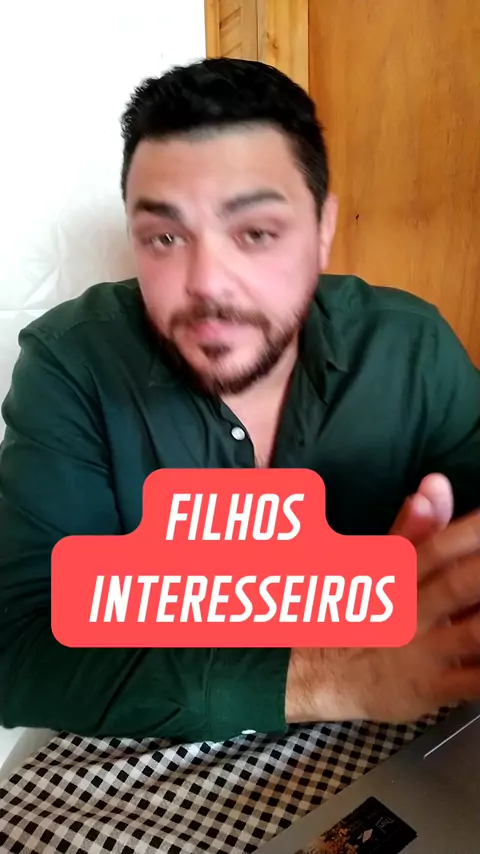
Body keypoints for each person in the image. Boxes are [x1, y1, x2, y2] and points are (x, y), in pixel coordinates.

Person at [0, 57, 480, 743]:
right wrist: (334, 674)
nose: (207, 284)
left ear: (322, 230)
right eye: (165, 237)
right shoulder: (71, 364)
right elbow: (17, 648)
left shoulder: (411, 349)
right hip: (152, 761)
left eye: (256, 233)